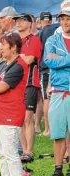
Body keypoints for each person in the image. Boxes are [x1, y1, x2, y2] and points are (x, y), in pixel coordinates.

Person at [0, 32, 28, 176]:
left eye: (3, 45)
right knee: (1, 155)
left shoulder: (19, 65)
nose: (0, 48)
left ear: (14, 47)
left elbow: (3, 86)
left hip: (11, 114)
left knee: (10, 154)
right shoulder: (1, 65)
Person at [43, 8, 70, 176]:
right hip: (59, 91)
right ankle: (58, 168)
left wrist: (60, 59)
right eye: (63, 19)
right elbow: (49, 61)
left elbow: (55, 60)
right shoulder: (53, 39)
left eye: (68, 19)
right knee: (58, 133)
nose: (65, 22)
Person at [13, 13, 42, 162]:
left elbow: (30, 59)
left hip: (30, 82)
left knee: (27, 118)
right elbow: (0, 56)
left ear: (30, 23)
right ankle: (23, 150)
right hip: (15, 83)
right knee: (19, 118)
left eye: (22, 20)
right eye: (16, 20)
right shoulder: (15, 40)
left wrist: (16, 58)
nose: (18, 23)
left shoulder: (34, 39)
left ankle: (28, 151)